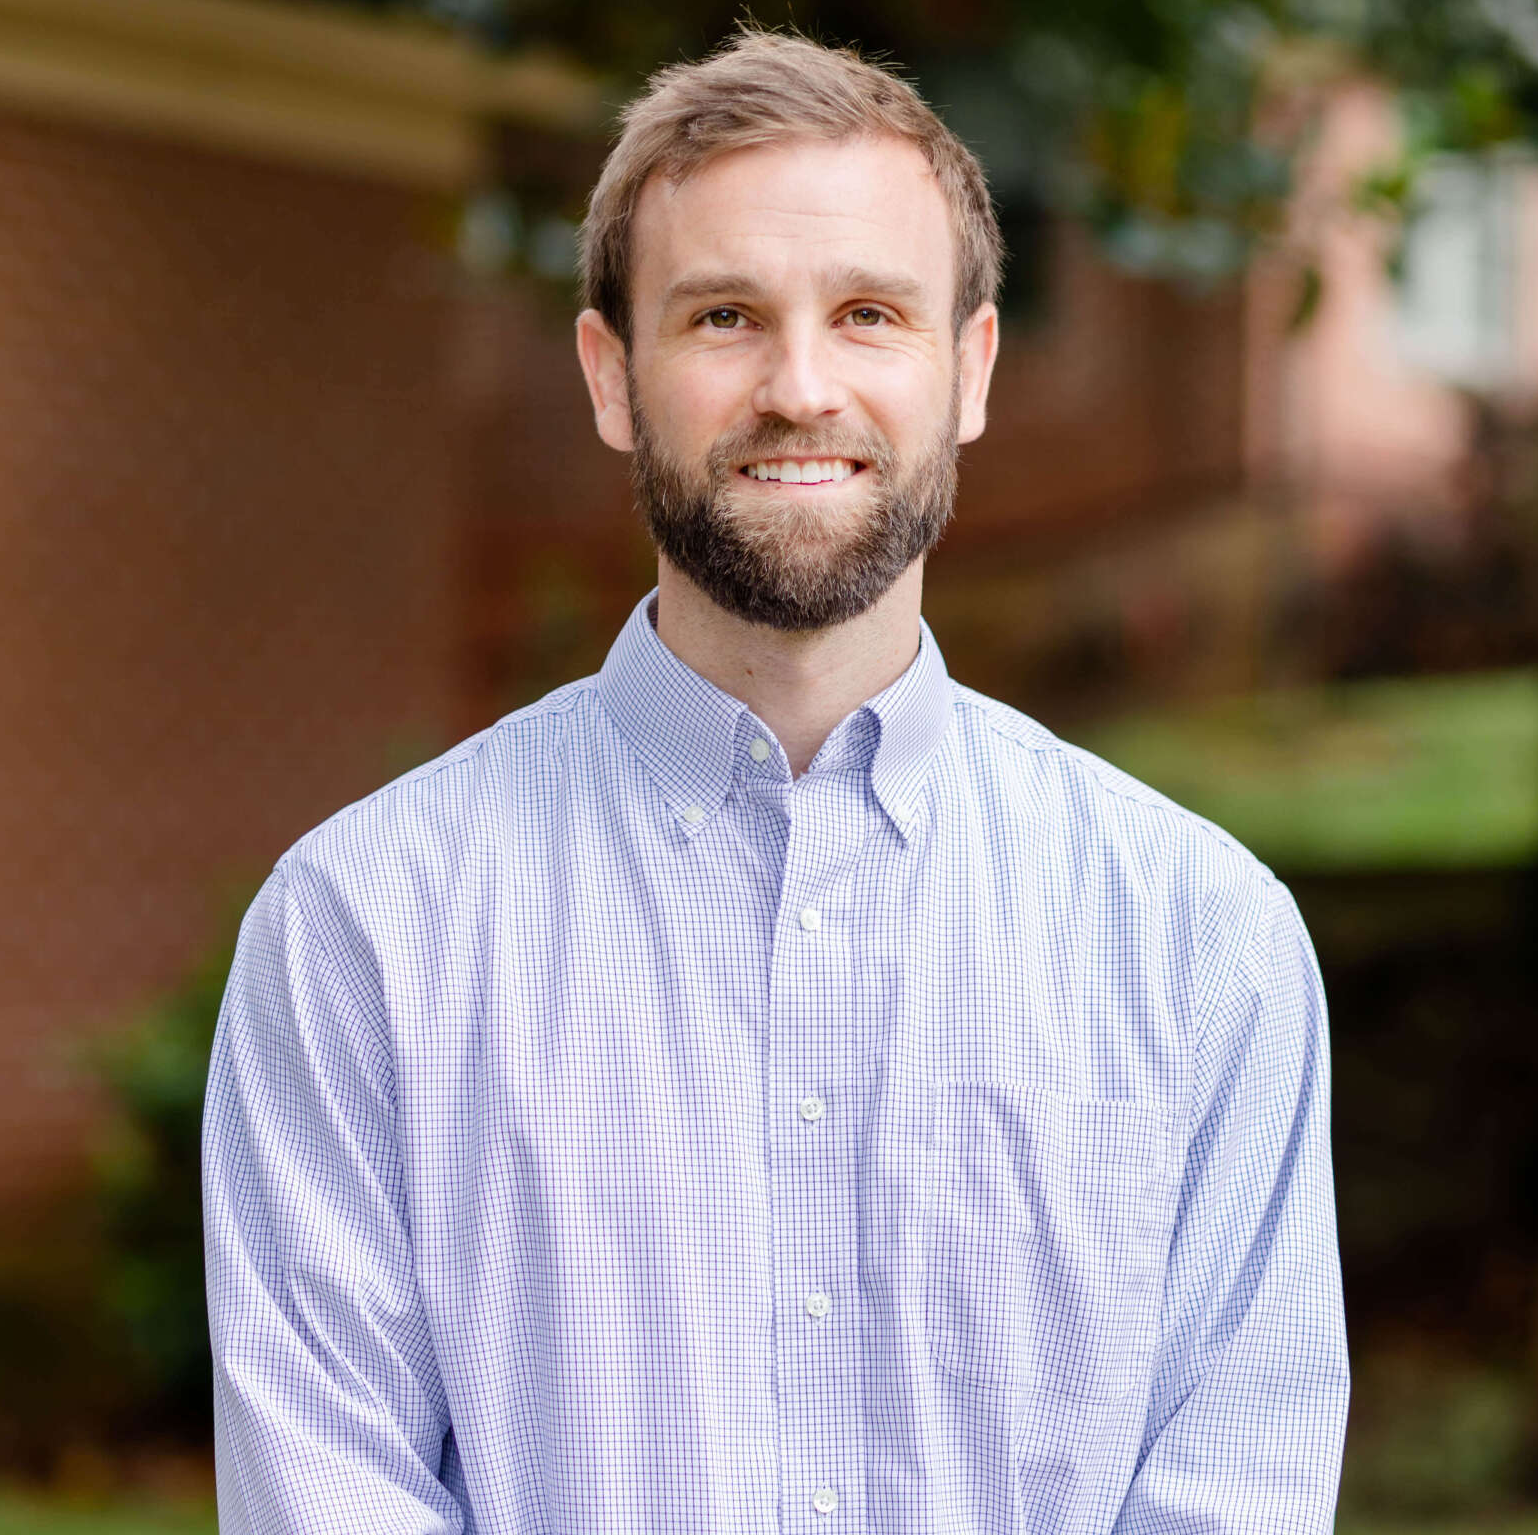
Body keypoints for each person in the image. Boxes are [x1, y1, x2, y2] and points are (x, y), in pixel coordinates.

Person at [202, 25, 1349, 1534]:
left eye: (869, 313)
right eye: (724, 315)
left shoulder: (1204, 939)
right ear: (613, 376)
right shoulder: (362, 929)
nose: (799, 387)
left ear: (969, 367)